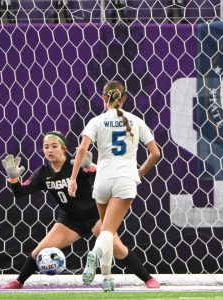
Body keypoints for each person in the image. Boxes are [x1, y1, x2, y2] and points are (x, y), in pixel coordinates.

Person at [0, 131, 160, 290]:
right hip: (70, 220)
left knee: (118, 249)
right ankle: (19, 282)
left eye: (54, 146)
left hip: (95, 216)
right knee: (38, 252)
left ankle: (148, 279)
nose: (49, 150)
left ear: (64, 148)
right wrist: (14, 179)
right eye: (46, 147)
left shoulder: (75, 164)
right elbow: (20, 193)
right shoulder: (43, 173)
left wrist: (90, 168)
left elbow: (100, 181)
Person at [68, 81, 161, 292]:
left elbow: (82, 148)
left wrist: (73, 178)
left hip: (102, 180)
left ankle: (107, 279)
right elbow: (156, 153)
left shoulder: (96, 120)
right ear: (125, 98)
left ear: (103, 98)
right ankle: (94, 254)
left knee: (107, 231)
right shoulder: (135, 120)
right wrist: (140, 172)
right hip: (124, 179)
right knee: (108, 232)